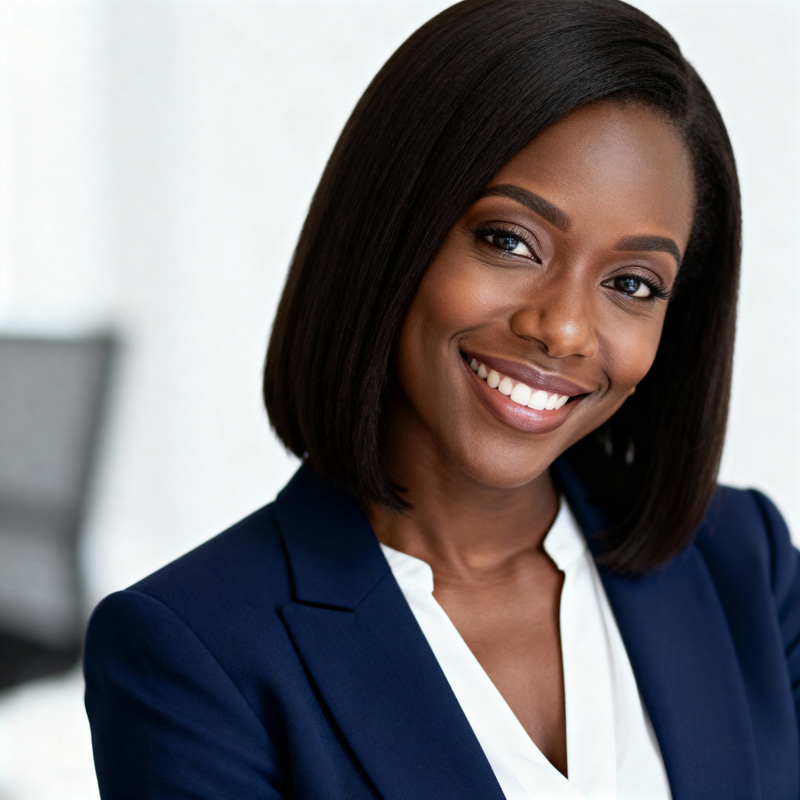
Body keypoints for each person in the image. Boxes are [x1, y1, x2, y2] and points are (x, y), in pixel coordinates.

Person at [83, 0, 800, 797]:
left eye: (632, 283)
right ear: (393, 229)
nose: (563, 329)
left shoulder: (744, 561)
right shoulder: (193, 653)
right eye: (508, 240)